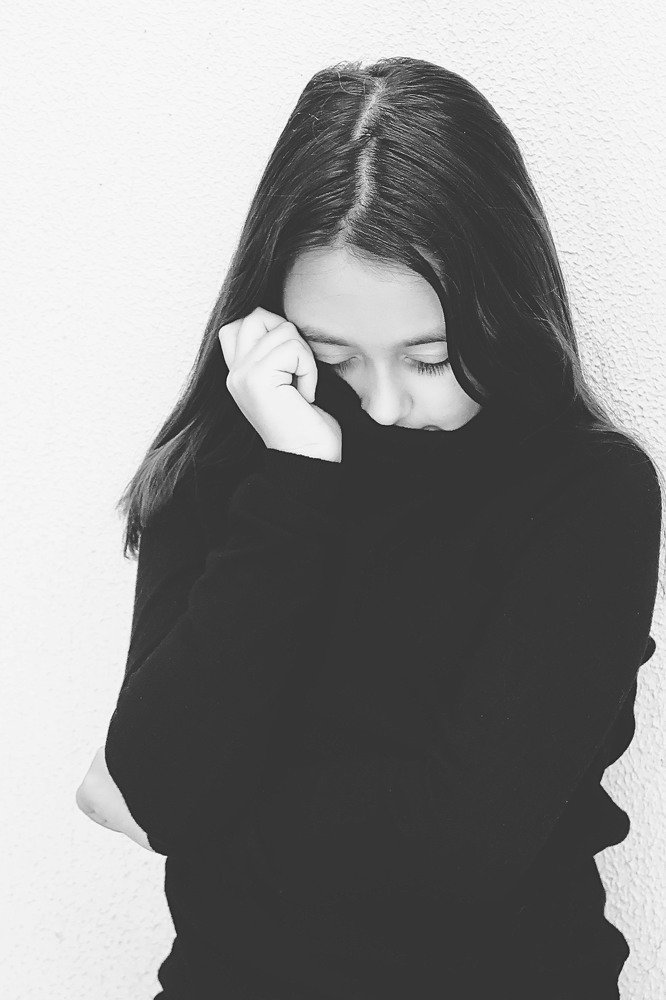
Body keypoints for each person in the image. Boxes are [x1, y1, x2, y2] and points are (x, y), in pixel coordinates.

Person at [75, 57, 663, 999]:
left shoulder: (589, 494)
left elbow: (461, 849)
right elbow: (164, 785)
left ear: (501, 309)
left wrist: (200, 803)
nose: (384, 405)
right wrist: (296, 481)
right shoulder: (233, 470)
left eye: (430, 358)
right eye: (335, 356)